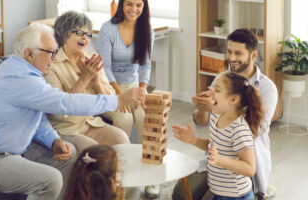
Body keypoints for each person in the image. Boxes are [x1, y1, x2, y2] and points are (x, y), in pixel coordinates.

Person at [0, 23, 145, 200]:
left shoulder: (26, 71)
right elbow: (64, 102)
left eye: (55, 52)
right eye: (50, 52)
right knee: (50, 181)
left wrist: (53, 140)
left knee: (68, 156)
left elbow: (37, 116)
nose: (55, 58)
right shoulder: (20, 79)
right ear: (29, 53)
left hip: (8, 151)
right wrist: (119, 100)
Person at [172, 29, 278, 200]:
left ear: (253, 55)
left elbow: (255, 132)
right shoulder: (222, 80)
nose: (232, 58)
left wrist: (222, 109)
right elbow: (201, 123)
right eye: (229, 51)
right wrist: (204, 108)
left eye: (238, 53)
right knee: (181, 195)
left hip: (244, 163)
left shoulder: (267, 88)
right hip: (217, 157)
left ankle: (259, 193)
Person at [44, 11, 130, 155]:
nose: (85, 37)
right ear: (64, 34)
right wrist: (84, 79)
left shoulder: (92, 60)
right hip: (66, 129)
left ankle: (123, 178)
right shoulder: (51, 65)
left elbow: (111, 100)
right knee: (97, 153)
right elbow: (59, 111)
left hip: (89, 123)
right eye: (79, 32)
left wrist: (97, 83)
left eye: (88, 34)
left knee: (123, 141)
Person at [173, 72, 265, 200]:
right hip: (219, 192)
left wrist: (220, 160)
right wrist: (193, 140)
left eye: (217, 90)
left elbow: (249, 168)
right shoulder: (216, 116)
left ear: (233, 99)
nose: (210, 92)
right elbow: (215, 147)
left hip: (236, 196)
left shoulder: (239, 130)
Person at [97, 0, 157, 197]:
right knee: (124, 119)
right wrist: (118, 95)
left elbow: (145, 64)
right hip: (108, 87)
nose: (134, 9)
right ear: (122, 4)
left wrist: (143, 90)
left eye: (139, 5)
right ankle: (117, 174)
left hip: (134, 87)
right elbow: (104, 67)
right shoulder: (108, 29)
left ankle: (149, 175)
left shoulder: (146, 29)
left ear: (144, 7)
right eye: (129, 4)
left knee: (147, 117)